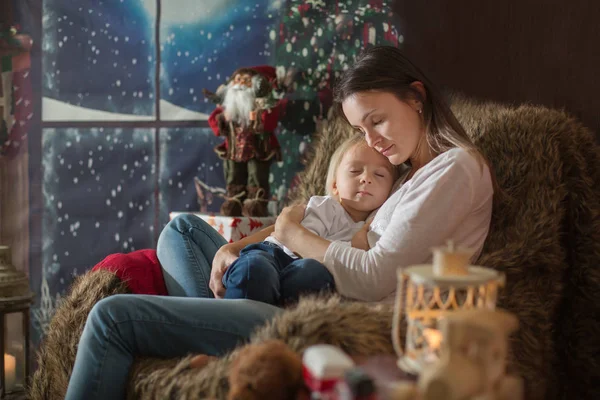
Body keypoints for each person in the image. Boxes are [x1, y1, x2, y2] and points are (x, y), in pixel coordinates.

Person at [64, 46, 493, 400]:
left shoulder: (455, 169)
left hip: (318, 316)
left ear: (416, 97)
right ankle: (220, 321)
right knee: (184, 230)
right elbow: (327, 217)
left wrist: (292, 233)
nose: (372, 141)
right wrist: (242, 244)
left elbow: (375, 278)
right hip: (284, 288)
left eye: (376, 120)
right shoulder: (407, 175)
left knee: (110, 318)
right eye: (361, 130)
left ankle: (219, 333)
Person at [222, 134, 398, 305]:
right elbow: (300, 243)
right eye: (355, 171)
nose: (366, 179)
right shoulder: (325, 206)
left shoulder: (376, 223)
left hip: (304, 269)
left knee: (313, 274)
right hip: (276, 254)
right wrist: (353, 247)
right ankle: (238, 322)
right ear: (335, 185)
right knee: (255, 268)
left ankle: (279, 315)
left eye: (379, 175)